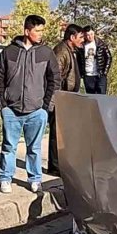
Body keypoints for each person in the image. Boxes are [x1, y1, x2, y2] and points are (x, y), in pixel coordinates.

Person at [0, 15, 60, 194]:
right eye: (37, 30)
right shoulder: (9, 52)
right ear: (26, 31)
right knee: (8, 146)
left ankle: (35, 179)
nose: (40, 34)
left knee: (35, 148)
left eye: (41, 30)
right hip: (11, 110)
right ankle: (5, 178)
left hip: (37, 110)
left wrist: (46, 107)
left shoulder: (46, 53)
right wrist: (1, 104)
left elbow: (54, 79)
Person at [51, 23, 84, 175]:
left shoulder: (71, 51)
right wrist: (58, 97)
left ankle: (61, 163)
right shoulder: (61, 51)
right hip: (60, 98)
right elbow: (55, 76)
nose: (82, 40)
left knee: (64, 133)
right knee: (56, 133)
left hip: (67, 98)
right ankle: (55, 166)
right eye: (80, 37)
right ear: (72, 37)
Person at [79, 26, 112, 95]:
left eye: (91, 34)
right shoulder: (82, 46)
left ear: (94, 33)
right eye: (87, 35)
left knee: (101, 97)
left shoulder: (101, 44)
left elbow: (109, 57)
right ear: (85, 35)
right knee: (90, 97)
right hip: (88, 75)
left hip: (100, 74)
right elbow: (79, 60)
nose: (90, 36)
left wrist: (105, 71)